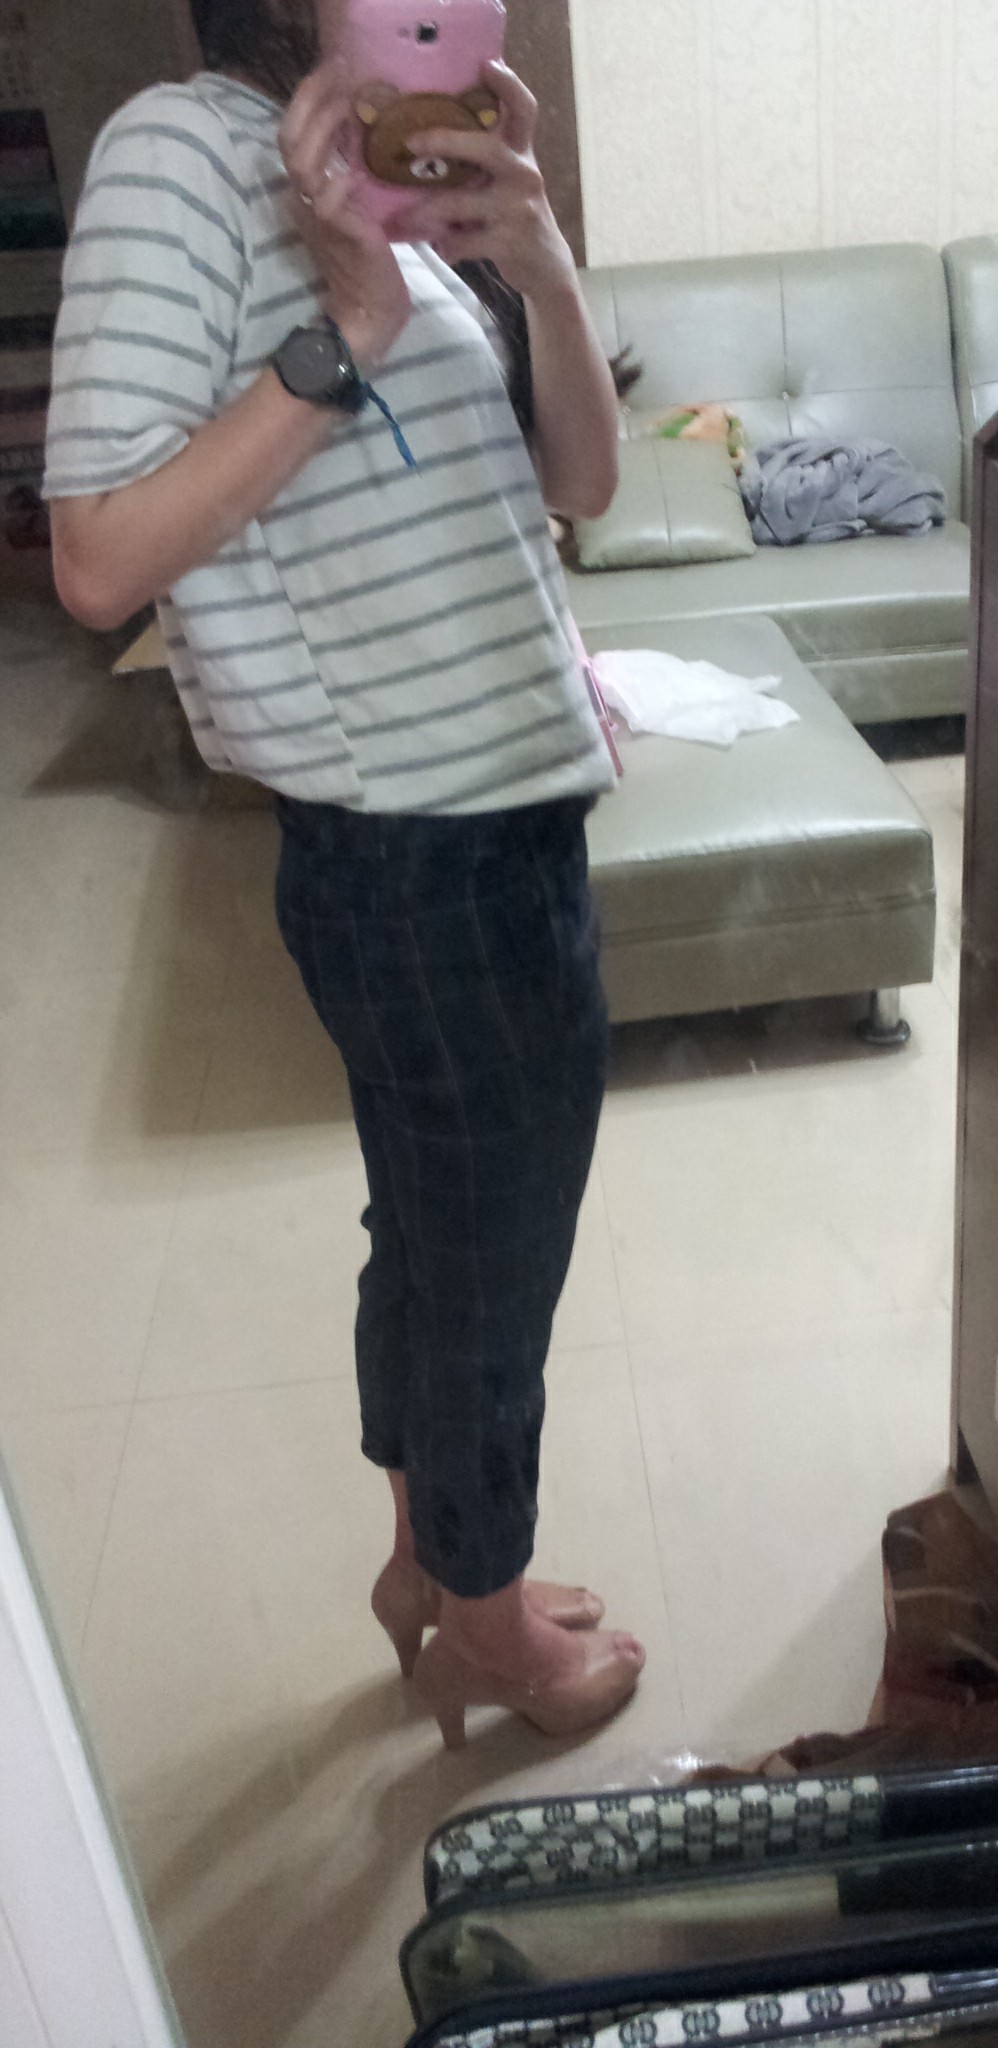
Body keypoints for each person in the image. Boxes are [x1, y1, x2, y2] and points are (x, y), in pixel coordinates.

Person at [45, 0, 645, 1749]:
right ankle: (488, 1627)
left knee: (439, 1244)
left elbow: (581, 485)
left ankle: (433, 1568)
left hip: (486, 831)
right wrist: (350, 333)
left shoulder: (392, 193)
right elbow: (97, 559)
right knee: (492, 1272)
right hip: (420, 854)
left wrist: (535, 260)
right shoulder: (184, 153)